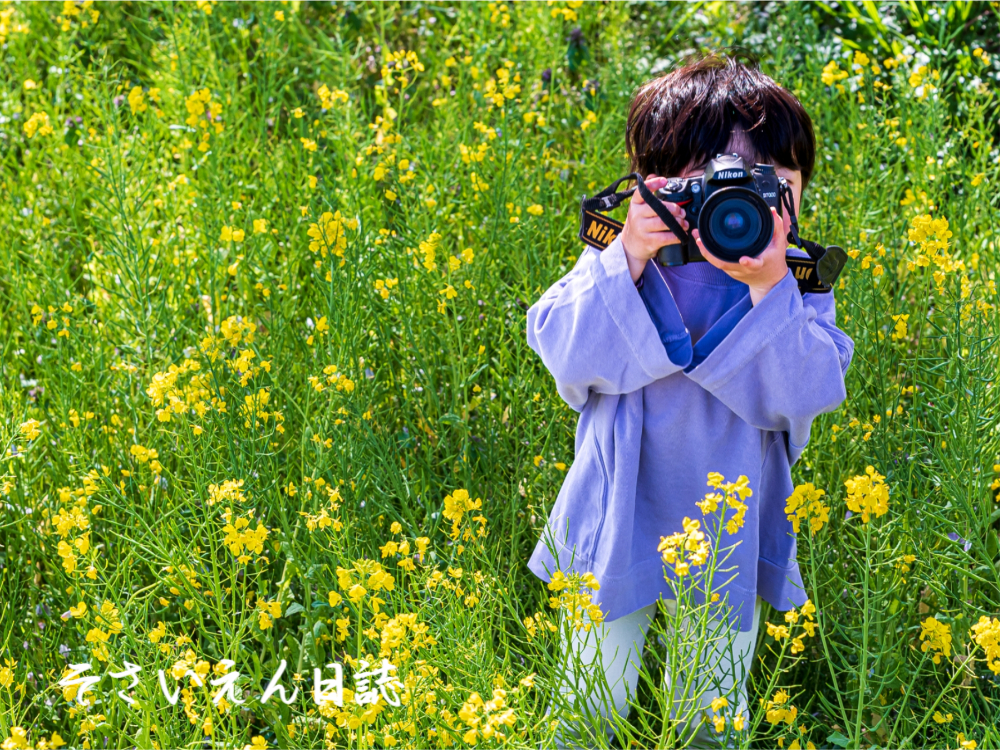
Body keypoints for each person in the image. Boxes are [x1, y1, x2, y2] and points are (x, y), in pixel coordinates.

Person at [526, 50, 854, 747]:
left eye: (771, 184)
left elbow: (811, 390)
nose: (738, 205)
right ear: (651, 186)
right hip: (620, 506)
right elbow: (563, 352)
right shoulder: (624, 251)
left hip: (729, 520)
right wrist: (628, 257)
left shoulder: (797, 282)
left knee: (713, 711)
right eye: (706, 185)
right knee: (590, 698)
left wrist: (772, 288)